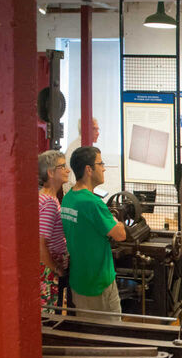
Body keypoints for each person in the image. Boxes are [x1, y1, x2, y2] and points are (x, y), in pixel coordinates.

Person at [62, 146, 125, 315]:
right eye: (101, 163)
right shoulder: (93, 203)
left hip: (79, 282)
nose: (104, 168)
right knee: (112, 336)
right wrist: (117, 220)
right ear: (89, 169)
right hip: (99, 284)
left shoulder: (68, 198)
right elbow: (120, 235)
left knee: (89, 334)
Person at [38, 150, 70, 309]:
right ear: (50, 172)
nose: (67, 170)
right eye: (62, 166)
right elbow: (41, 244)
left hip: (49, 266)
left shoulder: (46, 197)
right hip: (48, 270)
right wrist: (56, 269)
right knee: (48, 315)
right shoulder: (49, 203)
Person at [63, 117, 99, 193]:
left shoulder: (83, 146)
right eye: (94, 129)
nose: (98, 133)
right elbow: (74, 180)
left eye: (98, 129)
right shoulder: (79, 149)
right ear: (85, 129)